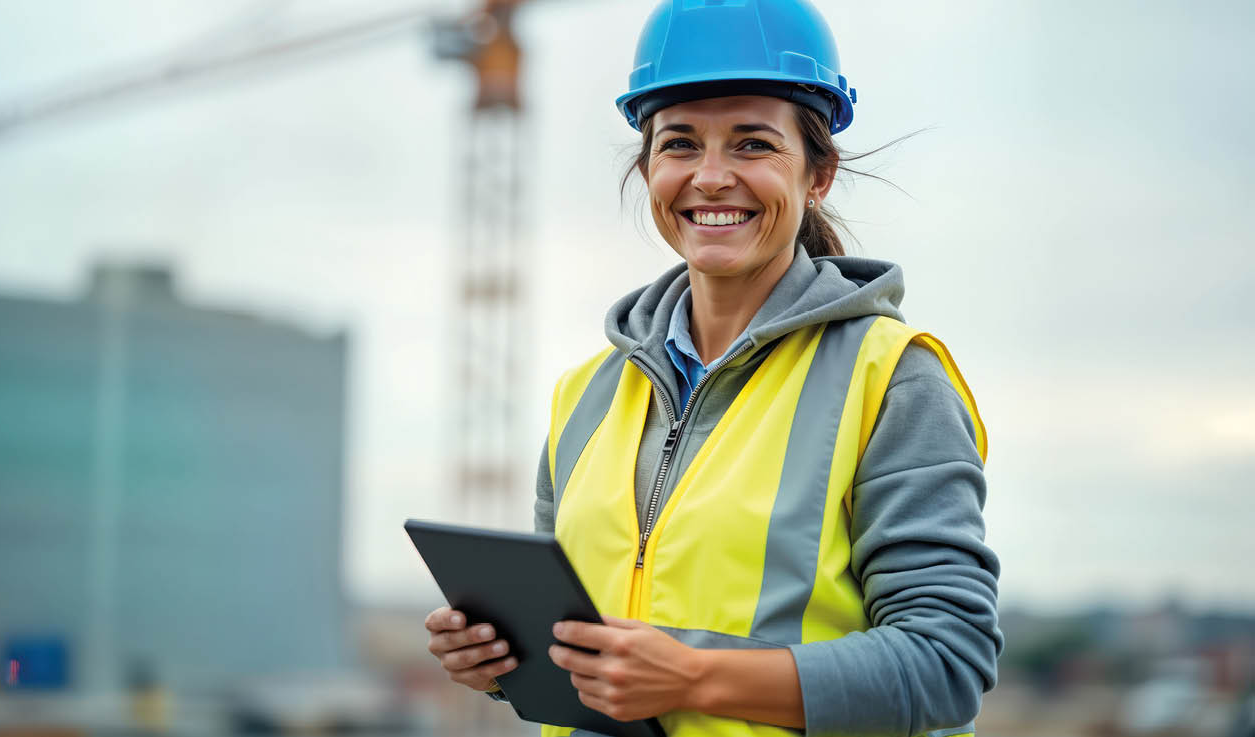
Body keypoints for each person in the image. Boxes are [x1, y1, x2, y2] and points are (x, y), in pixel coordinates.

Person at [424, 1, 1002, 735]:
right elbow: (579, 649)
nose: (712, 176)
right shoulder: (587, 397)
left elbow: (945, 664)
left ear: (818, 173)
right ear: (648, 168)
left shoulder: (892, 379)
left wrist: (695, 676)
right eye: (681, 144)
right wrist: (502, 659)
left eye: (754, 144)